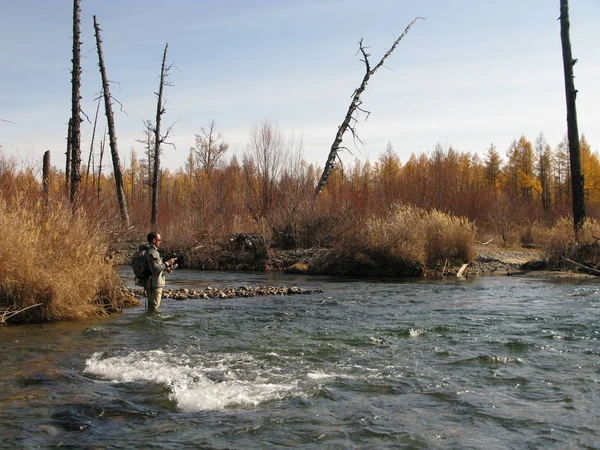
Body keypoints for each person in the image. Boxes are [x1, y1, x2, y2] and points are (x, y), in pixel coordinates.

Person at [144, 231, 177, 312]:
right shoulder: (153, 252)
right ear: (154, 240)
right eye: (159, 240)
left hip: (151, 284)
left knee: (152, 308)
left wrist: (166, 268)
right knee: (154, 309)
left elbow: (154, 267)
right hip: (154, 285)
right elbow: (155, 269)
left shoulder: (149, 251)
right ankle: (153, 324)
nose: (160, 242)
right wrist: (167, 263)